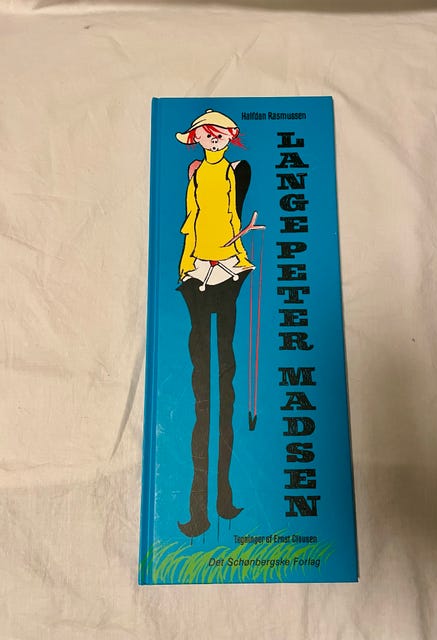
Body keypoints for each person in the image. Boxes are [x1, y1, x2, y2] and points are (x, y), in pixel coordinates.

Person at [175, 110, 254, 537]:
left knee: (226, 381)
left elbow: (233, 211)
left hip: (228, 269)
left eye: (219, 133)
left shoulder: (238, 169)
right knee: (201, 391)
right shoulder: (193, 172)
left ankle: (222, 501)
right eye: (206, 134)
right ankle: (198, 512)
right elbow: (191, 222)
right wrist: (187, 265)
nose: (212, 139)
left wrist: (237, 256)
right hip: (196, 273)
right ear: (197, 139)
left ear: (229, 136)